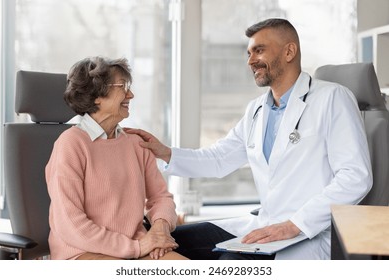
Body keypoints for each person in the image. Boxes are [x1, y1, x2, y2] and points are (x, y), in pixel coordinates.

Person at [125, 18, 372, 260]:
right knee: (164, 240)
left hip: (307, 233)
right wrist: (165, 152)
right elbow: (219, 159)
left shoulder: (332, 98)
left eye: (259, 50)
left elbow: (356, 177)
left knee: (230, 263)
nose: (251, 60)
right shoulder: (257, 109)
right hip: (263, 225)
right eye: (249, 53)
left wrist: (294, 225)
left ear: (289, 51)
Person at [46, 56, 187, 260]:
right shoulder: (70, 144)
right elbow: (71, 225)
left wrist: (160, 228)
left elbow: (161, 198)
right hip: (83, 251)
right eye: (122, 86)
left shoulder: (136, 143)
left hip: (138, 246)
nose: (130, 94)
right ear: (96, 96)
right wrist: (137, 247)